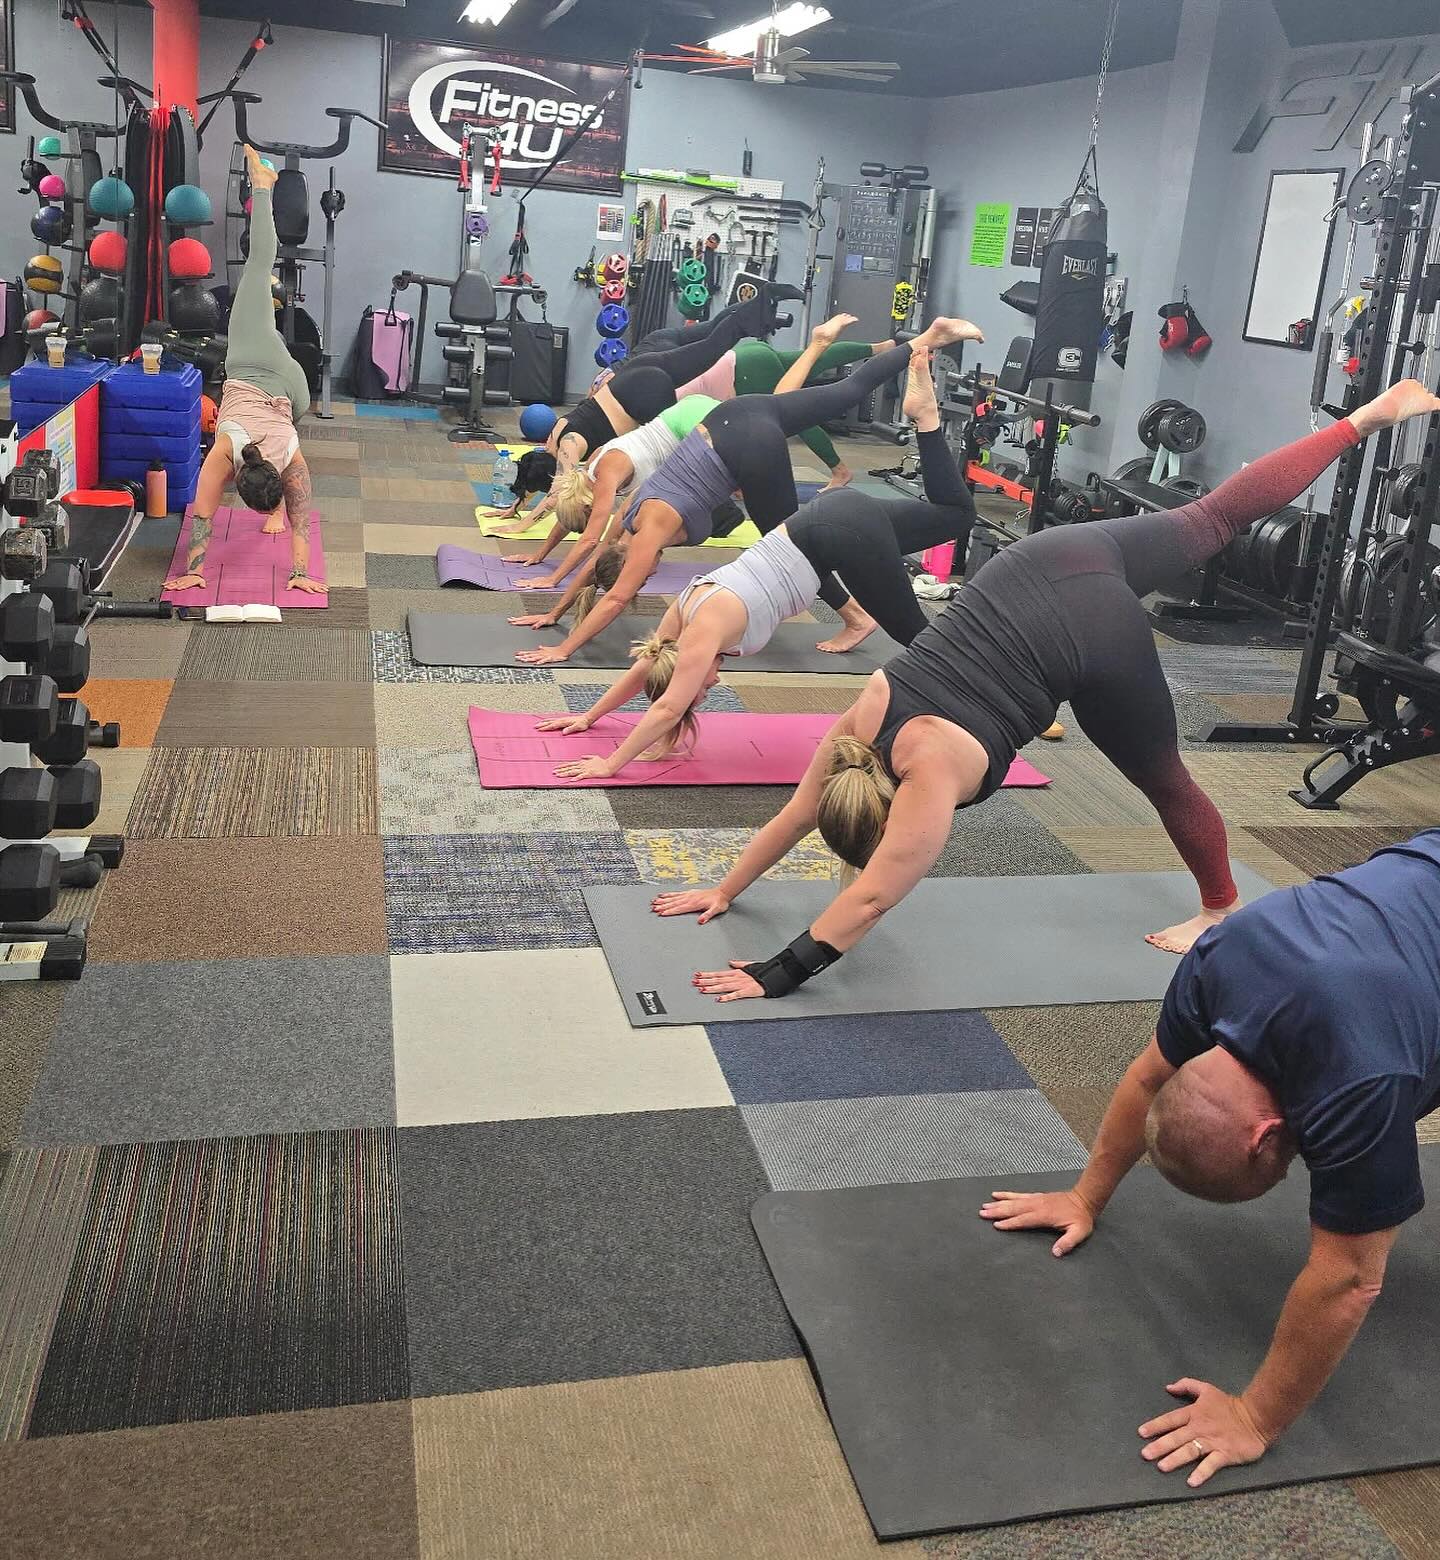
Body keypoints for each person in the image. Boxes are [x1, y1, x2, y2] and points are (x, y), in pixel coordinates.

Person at [649, 378, 1440, 988]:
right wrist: (726, 889)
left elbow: (871, 899)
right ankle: (1367, 418)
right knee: (1215, 517)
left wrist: (773, 975)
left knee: (1163, 779)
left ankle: (1221, 909)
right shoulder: (862, 720)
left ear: (891, 819)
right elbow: (796, 813)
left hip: (1092, 633)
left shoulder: (929, 777)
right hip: (1043, 561)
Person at [980, 829, 1440, 1487]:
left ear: (1267, 1137)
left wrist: (1254, 1418)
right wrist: (1085, 1196)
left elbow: (1350, 1277)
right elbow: (1149, 1079)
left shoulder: (1358, 1078)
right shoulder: (1219, 957)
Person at [539, 346, 975, 782]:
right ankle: (926, 418)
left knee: (920, 639)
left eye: (700, 690)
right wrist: (589, 716)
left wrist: (610, 763)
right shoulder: (682, 616)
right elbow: (645, 668)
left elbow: (669, 706)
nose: (711, 686)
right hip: (830, 520)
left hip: (840, 537)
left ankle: (983, 707)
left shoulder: (702, 634)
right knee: (956, 516)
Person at [509, 316, 984, 666]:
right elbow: (596, 563)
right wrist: (555, 611)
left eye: (644, 573)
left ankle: (857, 616)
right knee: (846, 391)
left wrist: (564, 648)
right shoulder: (629, 517)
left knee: (793, 541)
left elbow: (614, 597)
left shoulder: (648, 530)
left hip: (746, 448)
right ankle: (928, 338)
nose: (650, 574)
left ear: (635, 558)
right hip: (735, 415)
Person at [507, 315, 869, 594]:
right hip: (681, 416)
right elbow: (571, 516)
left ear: (588, 506)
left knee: (774, 418)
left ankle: (815, 345)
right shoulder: (585, 477)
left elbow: (591, 540)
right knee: (773, 412)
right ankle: (820, 345)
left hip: (692, 426)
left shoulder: (604, 480)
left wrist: (553, 579)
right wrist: (539, 555)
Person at [164, 145, 322, 595]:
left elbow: (203, 516)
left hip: (294, 392)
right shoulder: (226, 453)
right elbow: (205, 515)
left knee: (259, 272)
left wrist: (195, 571)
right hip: (259, 361)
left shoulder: (279, 453)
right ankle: (264, 187)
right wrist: (300, 575)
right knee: (258, 268)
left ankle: (264, 187)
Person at [547, 280, 804, 475]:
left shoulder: (571, 443)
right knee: (713, 334)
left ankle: (762, 304)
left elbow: (565, 484)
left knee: (711, 348)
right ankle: (763, 306)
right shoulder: (560, 427)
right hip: (648, 355)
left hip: (642, 389)